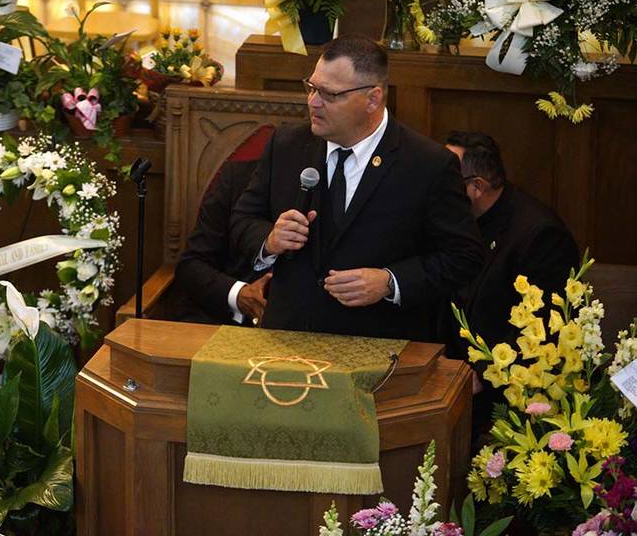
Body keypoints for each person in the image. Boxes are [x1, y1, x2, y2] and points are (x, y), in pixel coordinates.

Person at [230, 35, 484, 341]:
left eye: (329, 94)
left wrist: (390, 282)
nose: (313, 102)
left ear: (373, 99)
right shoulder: (286, 146)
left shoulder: (428, 164)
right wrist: (270, 240)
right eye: (311, 88)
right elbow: (243, 221)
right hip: (288, 340)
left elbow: (464, 256)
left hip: (378, 345)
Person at [443, 131, 579, 432]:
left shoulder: (540, 235)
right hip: (447, 370)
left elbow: (543, 324)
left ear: (476, 187)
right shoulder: (455, 217)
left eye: (446, 179)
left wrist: (481, 373)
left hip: (501, 394)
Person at [172, 159, 271, 325]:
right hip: (221, 319)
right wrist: (238, 294)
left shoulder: (325, 187)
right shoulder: (238, 178)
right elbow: (191, 265)